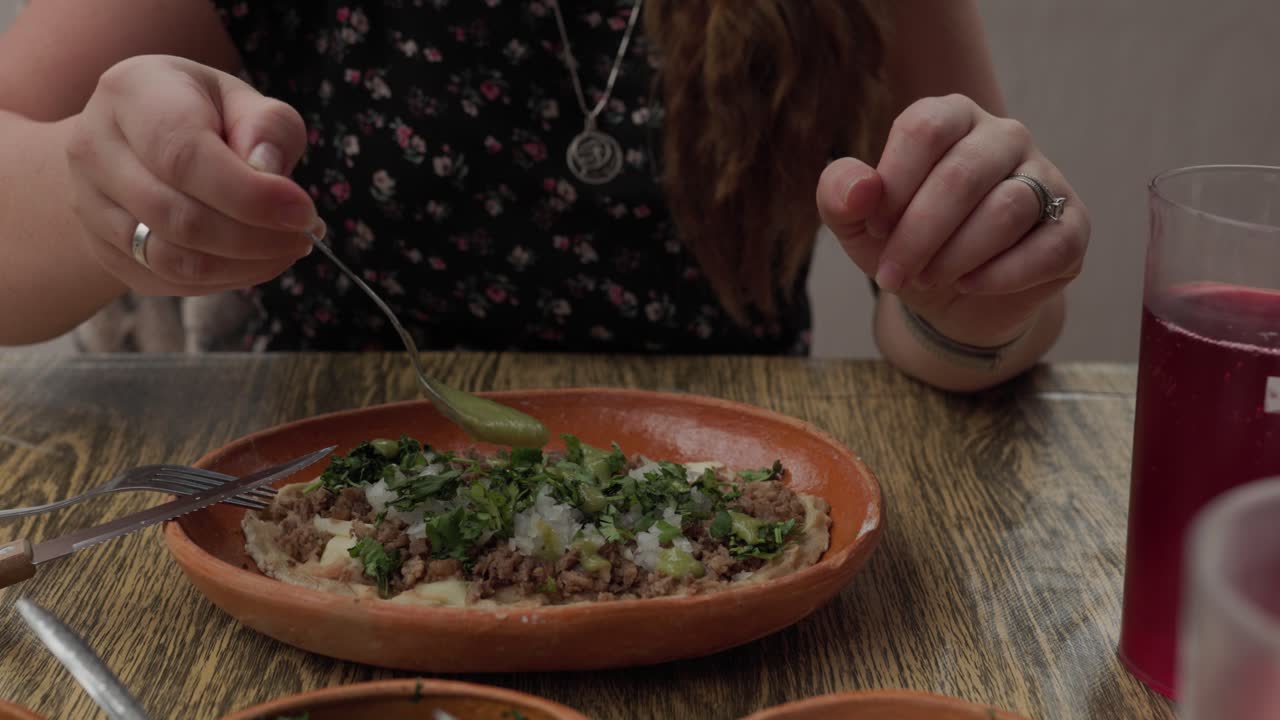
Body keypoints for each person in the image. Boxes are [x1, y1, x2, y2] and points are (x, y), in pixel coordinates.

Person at [0, 0, 1088, 392]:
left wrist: (978, 311)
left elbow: (953, 285)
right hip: (310, 519)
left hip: (732, 541)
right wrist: (92, 190)